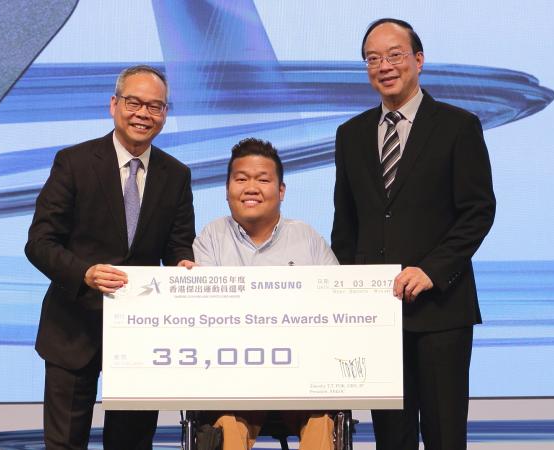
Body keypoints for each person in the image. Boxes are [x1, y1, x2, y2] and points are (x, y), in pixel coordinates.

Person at [330, 19, 496, 450]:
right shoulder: (350, 134)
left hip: (442, 308)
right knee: (392, 438)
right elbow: (345, 224)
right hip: (378, 313)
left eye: (394, 55)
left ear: (418, 61)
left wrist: (432, 270)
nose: (384, 65)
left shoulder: (458, 125)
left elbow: (478, 211)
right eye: (373, 58)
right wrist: (351, 291)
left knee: (443, 435)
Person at [25, 65, 195, 450]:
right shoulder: (74, 162)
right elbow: (39, 242)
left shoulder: (177, 174)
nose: (143, 114)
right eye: (134, 102)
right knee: (65, 444)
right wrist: (84, 272)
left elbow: (179, 246)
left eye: (155, 106)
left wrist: (185, 265)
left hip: (141, 337)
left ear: (165, 114)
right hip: (73, 327)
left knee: (132, 445)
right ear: (113, 104)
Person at [193, 138, 338, 450]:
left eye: (263, 179)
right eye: (241, 178)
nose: (251, 188)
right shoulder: (210, 238)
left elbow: (336, 306)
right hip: (233, 375)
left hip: (303, 373)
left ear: (281, 190)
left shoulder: (307, 238)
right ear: (227, 188)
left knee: (322, 421)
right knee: (227, 425)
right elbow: (203, 314)